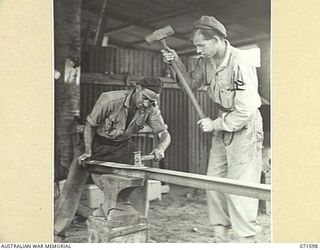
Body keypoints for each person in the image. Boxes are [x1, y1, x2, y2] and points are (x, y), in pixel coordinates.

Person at [161, 16, 263, 242]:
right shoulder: (206, 61)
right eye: (196, 46)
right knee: (213, 181)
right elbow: (190, 84)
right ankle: (220, 235)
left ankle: (246, 239)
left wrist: (215, 124)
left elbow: (244, 111)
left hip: (244, 126)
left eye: (201, 45)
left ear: (216, 40)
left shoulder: (239, 63)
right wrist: (175, 62)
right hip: (223, 122)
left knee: (240, 186)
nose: (198, 50)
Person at [54, 77, 171, 238]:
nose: (146, 104)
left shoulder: (151, 108)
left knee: (138, 185)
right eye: (144, 98)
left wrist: (161, 147)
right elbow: (90, 126)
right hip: (94, 143)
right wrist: (88, 151)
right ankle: (57, 234)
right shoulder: (110, 99)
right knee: (72, 187)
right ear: (137, 88)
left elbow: (164, 133)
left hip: (121, 148)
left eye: (151, 101)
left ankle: (136, 230)